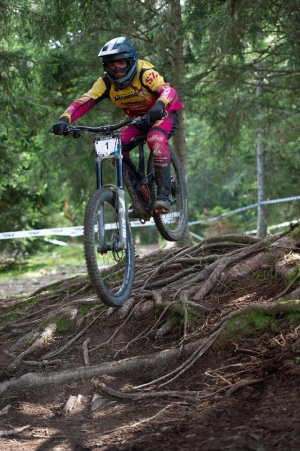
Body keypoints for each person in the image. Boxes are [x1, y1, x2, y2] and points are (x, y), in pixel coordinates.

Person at [51, 36, 183, 217]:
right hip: (136, 121)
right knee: (114, 147)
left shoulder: (144, 72)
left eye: (121, 64)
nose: (116, 69)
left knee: (155, 139)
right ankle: (141, 195)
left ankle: (164, 194)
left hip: (163, 115)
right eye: (111, 65)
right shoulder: (105, 82)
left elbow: (168, 90)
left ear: (131, 61)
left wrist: (159, 105)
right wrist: (64, 119)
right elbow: (85, 100)